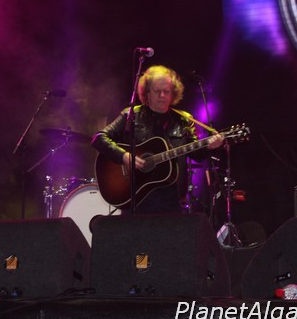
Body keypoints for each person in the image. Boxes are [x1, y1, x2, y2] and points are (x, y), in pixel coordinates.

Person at [92, 65, 223, 214]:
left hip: (171, 200)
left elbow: (197, 154)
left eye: (166, 91)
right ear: (147, 92)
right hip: (136, 198)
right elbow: (99, 138)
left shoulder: (183, 120)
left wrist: (210, 146)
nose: (162, 95)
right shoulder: (131, 115)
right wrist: (124, 156)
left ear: (173, 94)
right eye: (157, 91)